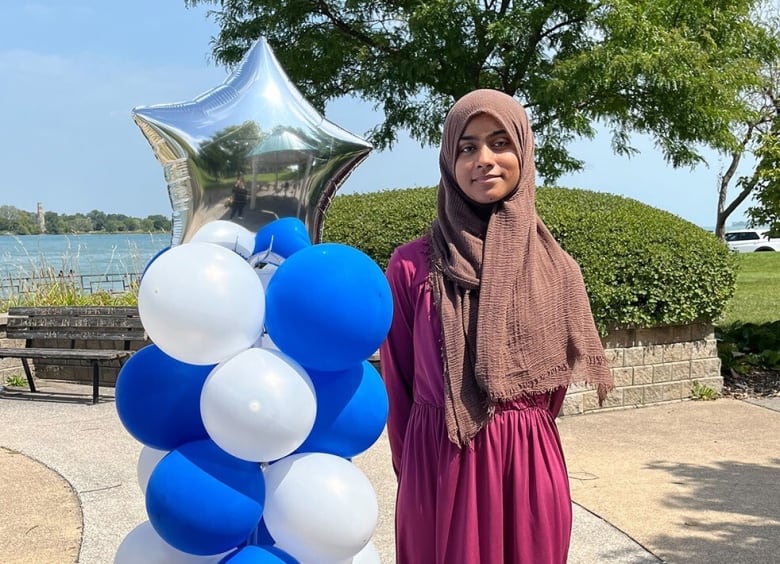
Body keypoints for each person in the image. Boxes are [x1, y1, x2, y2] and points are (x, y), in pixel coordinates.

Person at [379, 89, 614, 564]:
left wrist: (513, 427)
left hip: (527, 469)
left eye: (500, 142)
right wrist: (414, 475)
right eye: (467, 147)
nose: (483, 159)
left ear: (523, 153)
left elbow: (551, 393)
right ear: (450, 159)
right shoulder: (411, 266)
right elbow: (398, 384)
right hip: (439, 466)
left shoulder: (556, 268)